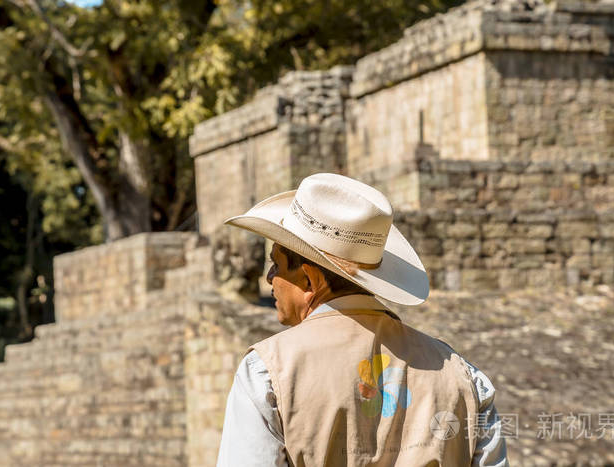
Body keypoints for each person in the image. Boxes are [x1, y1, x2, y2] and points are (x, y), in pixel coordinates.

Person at [216, 173, 508, 466]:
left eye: (276, 265)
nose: (269, 279)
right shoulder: (462, 377)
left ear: (310, 279)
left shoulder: (268, 372)